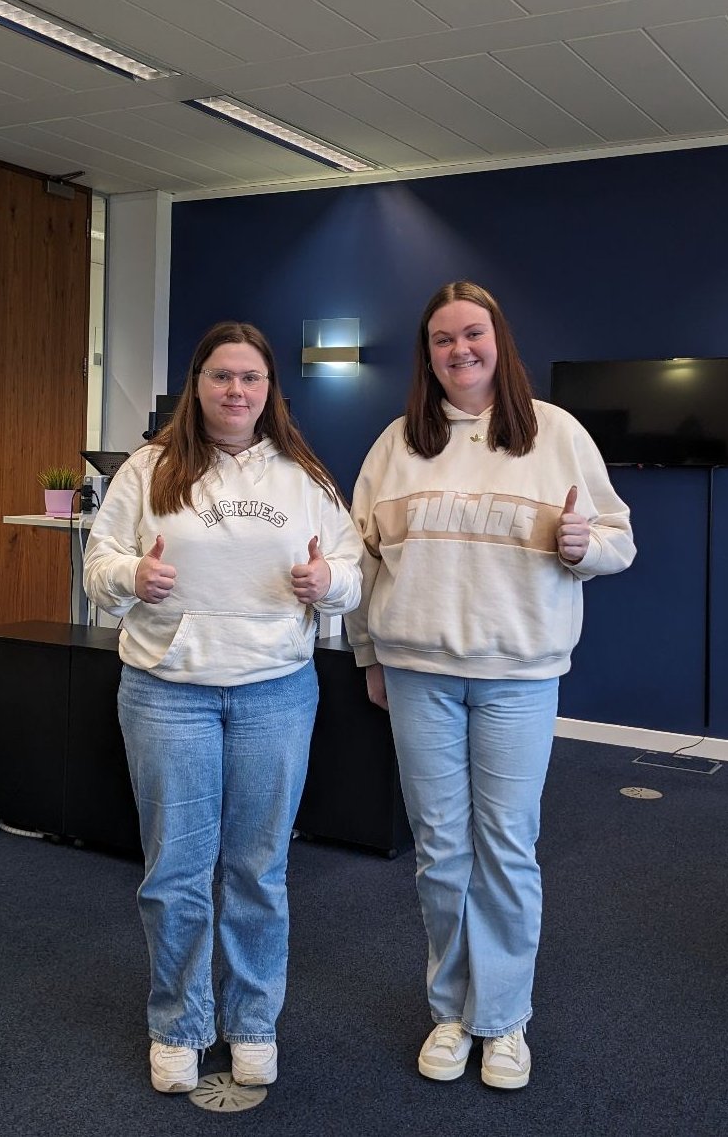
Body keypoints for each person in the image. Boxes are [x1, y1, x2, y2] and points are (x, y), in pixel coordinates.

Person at [345, 281, 635, 1090]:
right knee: (440, 853)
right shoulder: (398, 442)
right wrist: (369, 657)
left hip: (517, 677)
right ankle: (450, 1010)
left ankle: (503, 1020)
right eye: (442, 339)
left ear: (498, 341)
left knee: (506, 848)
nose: (459, 350)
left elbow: (619, 541)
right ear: (427, 354)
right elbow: (361, 559)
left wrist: (583, 543)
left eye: (473, 334)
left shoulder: (556, 434)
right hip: (416, 675)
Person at [83, 320, 362, 1093]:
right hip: (167, 693)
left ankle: (250, 1023)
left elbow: (352, 567)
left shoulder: (304, 475)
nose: (235, 391)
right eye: (220, 377)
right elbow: (96, 562)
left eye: (250, 379)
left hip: (275, 691)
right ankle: (178, 1023)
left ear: (270, 391)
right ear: (196, 386)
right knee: (174, 872)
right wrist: (132, 577)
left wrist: (328, 586)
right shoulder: (149, 469)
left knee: (258, 871)